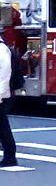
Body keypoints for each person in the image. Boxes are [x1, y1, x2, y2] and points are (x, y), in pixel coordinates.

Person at [0, 35, 17, 167]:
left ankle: (10, 156)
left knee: (2, 125)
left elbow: (5, 73)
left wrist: (0, 93)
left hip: (1, 94)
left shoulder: (2, 49)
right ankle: (9, 155)